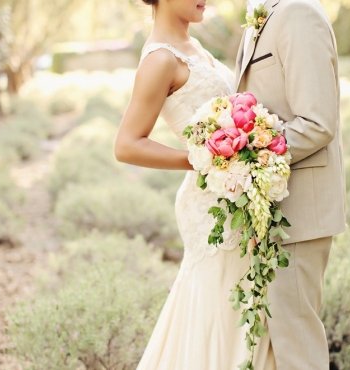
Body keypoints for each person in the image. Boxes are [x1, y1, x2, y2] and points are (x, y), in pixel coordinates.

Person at [114, 0, 277, 368]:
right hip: (210, 208)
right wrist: (201, 159)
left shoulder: (195, 47)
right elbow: (126, 144)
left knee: (244, 304)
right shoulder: (161, 60)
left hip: (235, 195)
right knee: (219, 308)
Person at [236, 0, 346, 369]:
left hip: (299, 211)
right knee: (280, 342)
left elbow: (317, 122)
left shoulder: (299, 12)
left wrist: (246, 156)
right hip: (273, 208)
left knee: (298, 348)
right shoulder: (265, 12)